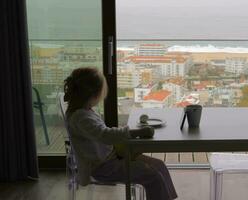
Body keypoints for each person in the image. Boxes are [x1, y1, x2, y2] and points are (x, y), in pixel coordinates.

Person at [64, 67, 177, 200]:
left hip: (111, 158)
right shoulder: (81, 118)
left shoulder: (84, 112)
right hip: (103, 168)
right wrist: (135, 132)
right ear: (94, 94)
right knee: (153, 176)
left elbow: (102, 134)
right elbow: (105, 135)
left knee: (159, 165)